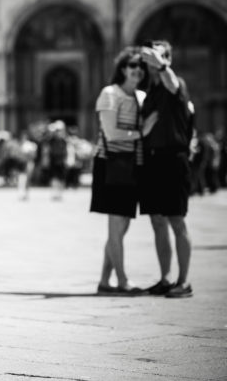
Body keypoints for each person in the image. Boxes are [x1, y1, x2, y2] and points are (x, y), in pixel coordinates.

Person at [90, 47, 153, 295]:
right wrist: (141, 133)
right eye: (132, 66)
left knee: (122, 226)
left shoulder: (140, 97)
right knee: (116, 226)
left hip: (132, 165)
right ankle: (123, 281)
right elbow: (111, 132)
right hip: (111, 164)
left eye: (140, 67)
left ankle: (105, 282)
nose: (137, 71)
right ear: (123, 69)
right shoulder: (110, 94)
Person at [139, 40, 194, 298]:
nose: (151, 61)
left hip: (174, 158)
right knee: (157, 221)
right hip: (153, 160)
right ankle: (165, 278)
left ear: (167, 60)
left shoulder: (176, 84)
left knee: (176, 220)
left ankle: (183, 282)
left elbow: (171, 83)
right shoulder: (151, 92)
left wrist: (161, 64)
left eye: (159, 56)